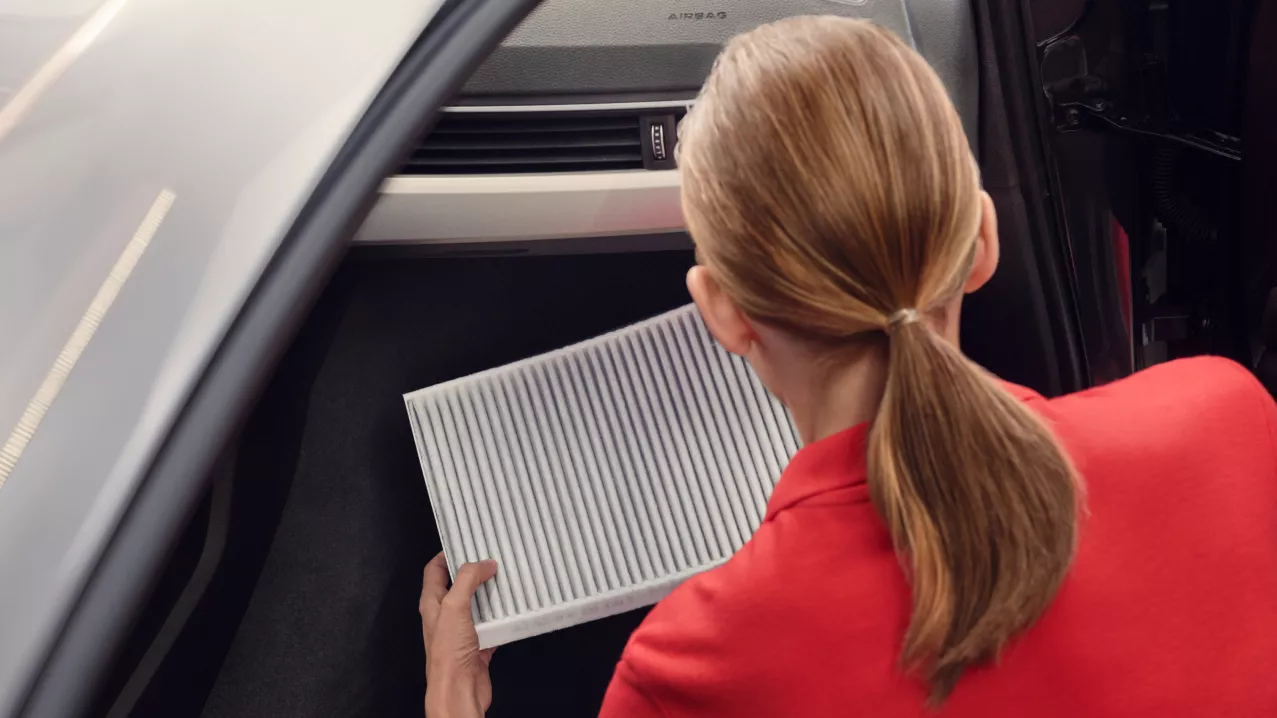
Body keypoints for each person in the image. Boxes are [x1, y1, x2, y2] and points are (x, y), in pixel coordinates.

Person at [419, 15, 1277, 717]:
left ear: (718, 308)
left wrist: (452, 706)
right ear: (981, 242)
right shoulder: (1227, 420)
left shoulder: (696, 664)